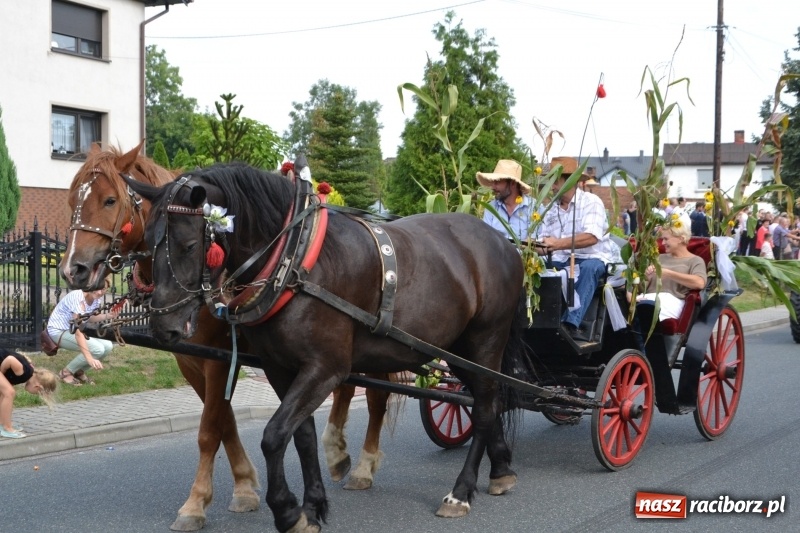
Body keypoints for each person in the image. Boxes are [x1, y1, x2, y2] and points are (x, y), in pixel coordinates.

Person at [538, 157, 621, 340]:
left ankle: (570, 324)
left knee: (588, 268)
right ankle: (536, 323)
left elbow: (591, 237)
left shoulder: (591, 202)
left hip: (592, 258)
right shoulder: (550, 210)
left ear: (571, 180)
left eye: (555, 182)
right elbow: (545, 243)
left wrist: (557, 244)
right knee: (535, 269)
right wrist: (530, 248)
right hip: (560, 260)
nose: (551, 187)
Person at [47, 279, 118, 386]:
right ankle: (66, 372)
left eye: (103, 289)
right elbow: (78, 331)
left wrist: (108, 316)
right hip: (59, 331)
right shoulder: (77, 297)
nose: (100, 292)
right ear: (90, 285)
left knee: (108, 346)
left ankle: (79, 371)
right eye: (98, 287)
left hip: (73, 331)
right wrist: (89, 358)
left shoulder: (95, 300)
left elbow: (89, 317)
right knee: (97, 349)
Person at [634, 222, 707, 321]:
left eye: (666, 239)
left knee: (647, 309)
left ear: (681, 239)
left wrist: (669, 274)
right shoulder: (658, 258)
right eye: (662, 239)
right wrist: (647, 277)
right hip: (647, 298)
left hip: (673, 301)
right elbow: (643, 288)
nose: (663, 243)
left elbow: (699, 283)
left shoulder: (695, 260)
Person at [1, 347, 57, 439]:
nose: (33, 393)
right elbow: (10, 360)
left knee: (5, 393)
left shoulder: (27, 372)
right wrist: (2, 372)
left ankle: (3, 424)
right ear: (37, 387)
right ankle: (7, 428)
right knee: (9, 392)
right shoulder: (24, 373)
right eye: (37, 393)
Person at [477, 159, 537, 242]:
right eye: (493, 182)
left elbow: (537, 242)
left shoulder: (533, 207)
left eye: (497, 182)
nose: (493, 187)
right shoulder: (491, 208)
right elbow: (486, 240)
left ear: (512, 183)